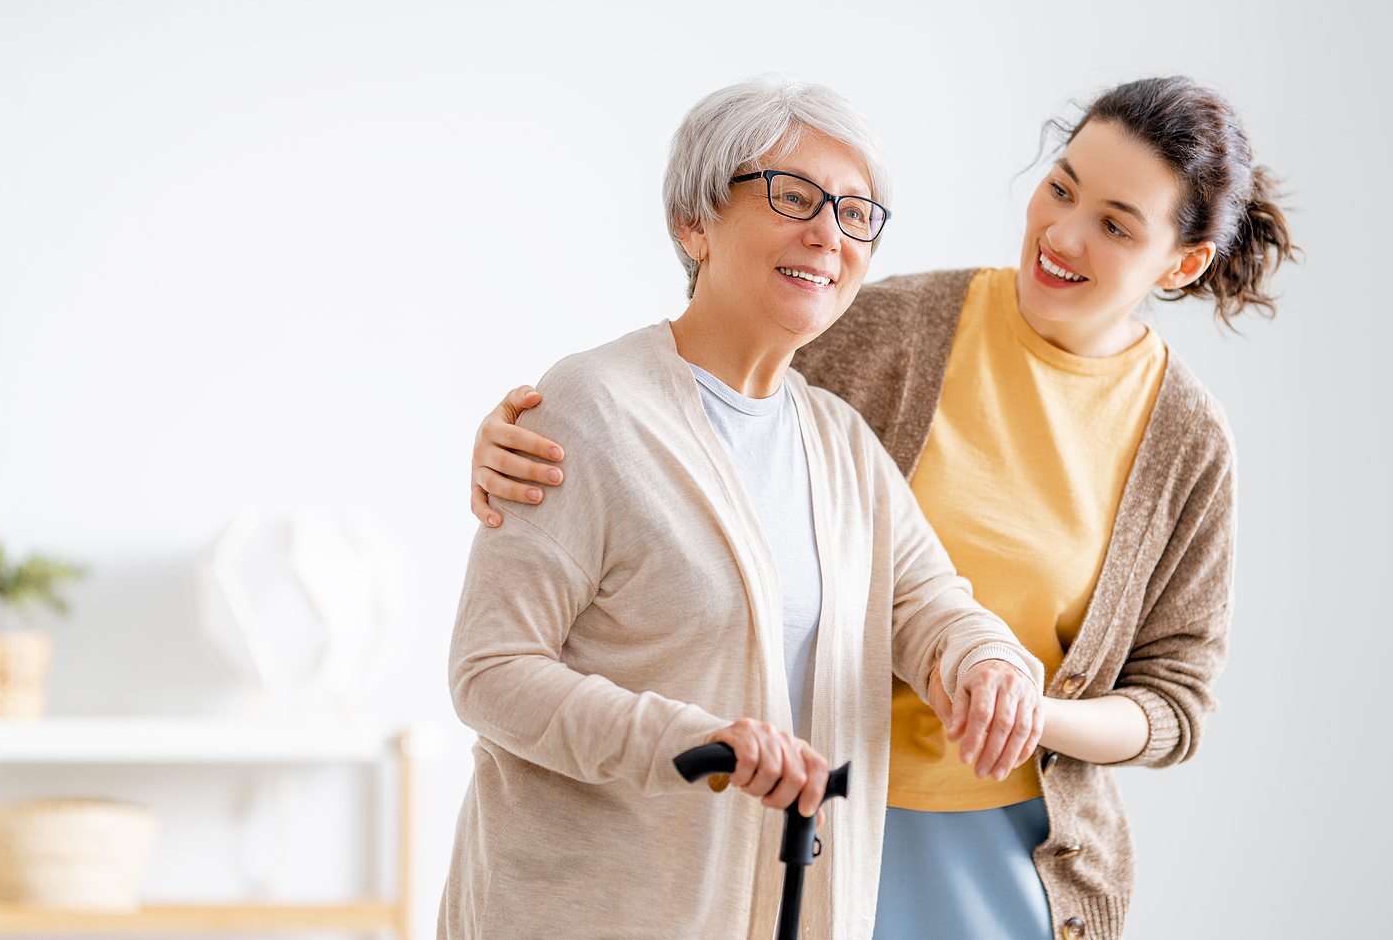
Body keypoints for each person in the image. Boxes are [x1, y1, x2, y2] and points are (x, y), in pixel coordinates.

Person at [470, 75, 1296, 940]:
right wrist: (524, 439)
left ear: (1182, 261)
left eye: (1117, 224)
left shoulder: (1179, 438)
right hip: (774, 814)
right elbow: (681, 416)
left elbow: (939, 601)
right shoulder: (888, 327)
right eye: (1061, 187)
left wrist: (1010, 690)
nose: (1064, 233)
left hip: (960, 836)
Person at [440, 75, 1045, 940]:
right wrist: (699, 742)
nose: (828, 233)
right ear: (695, 222)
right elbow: (490, 669)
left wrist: (989, 666)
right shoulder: (590, 408)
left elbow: (931, 605)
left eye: (856, 213)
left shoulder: (841, 445)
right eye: (793, 196)